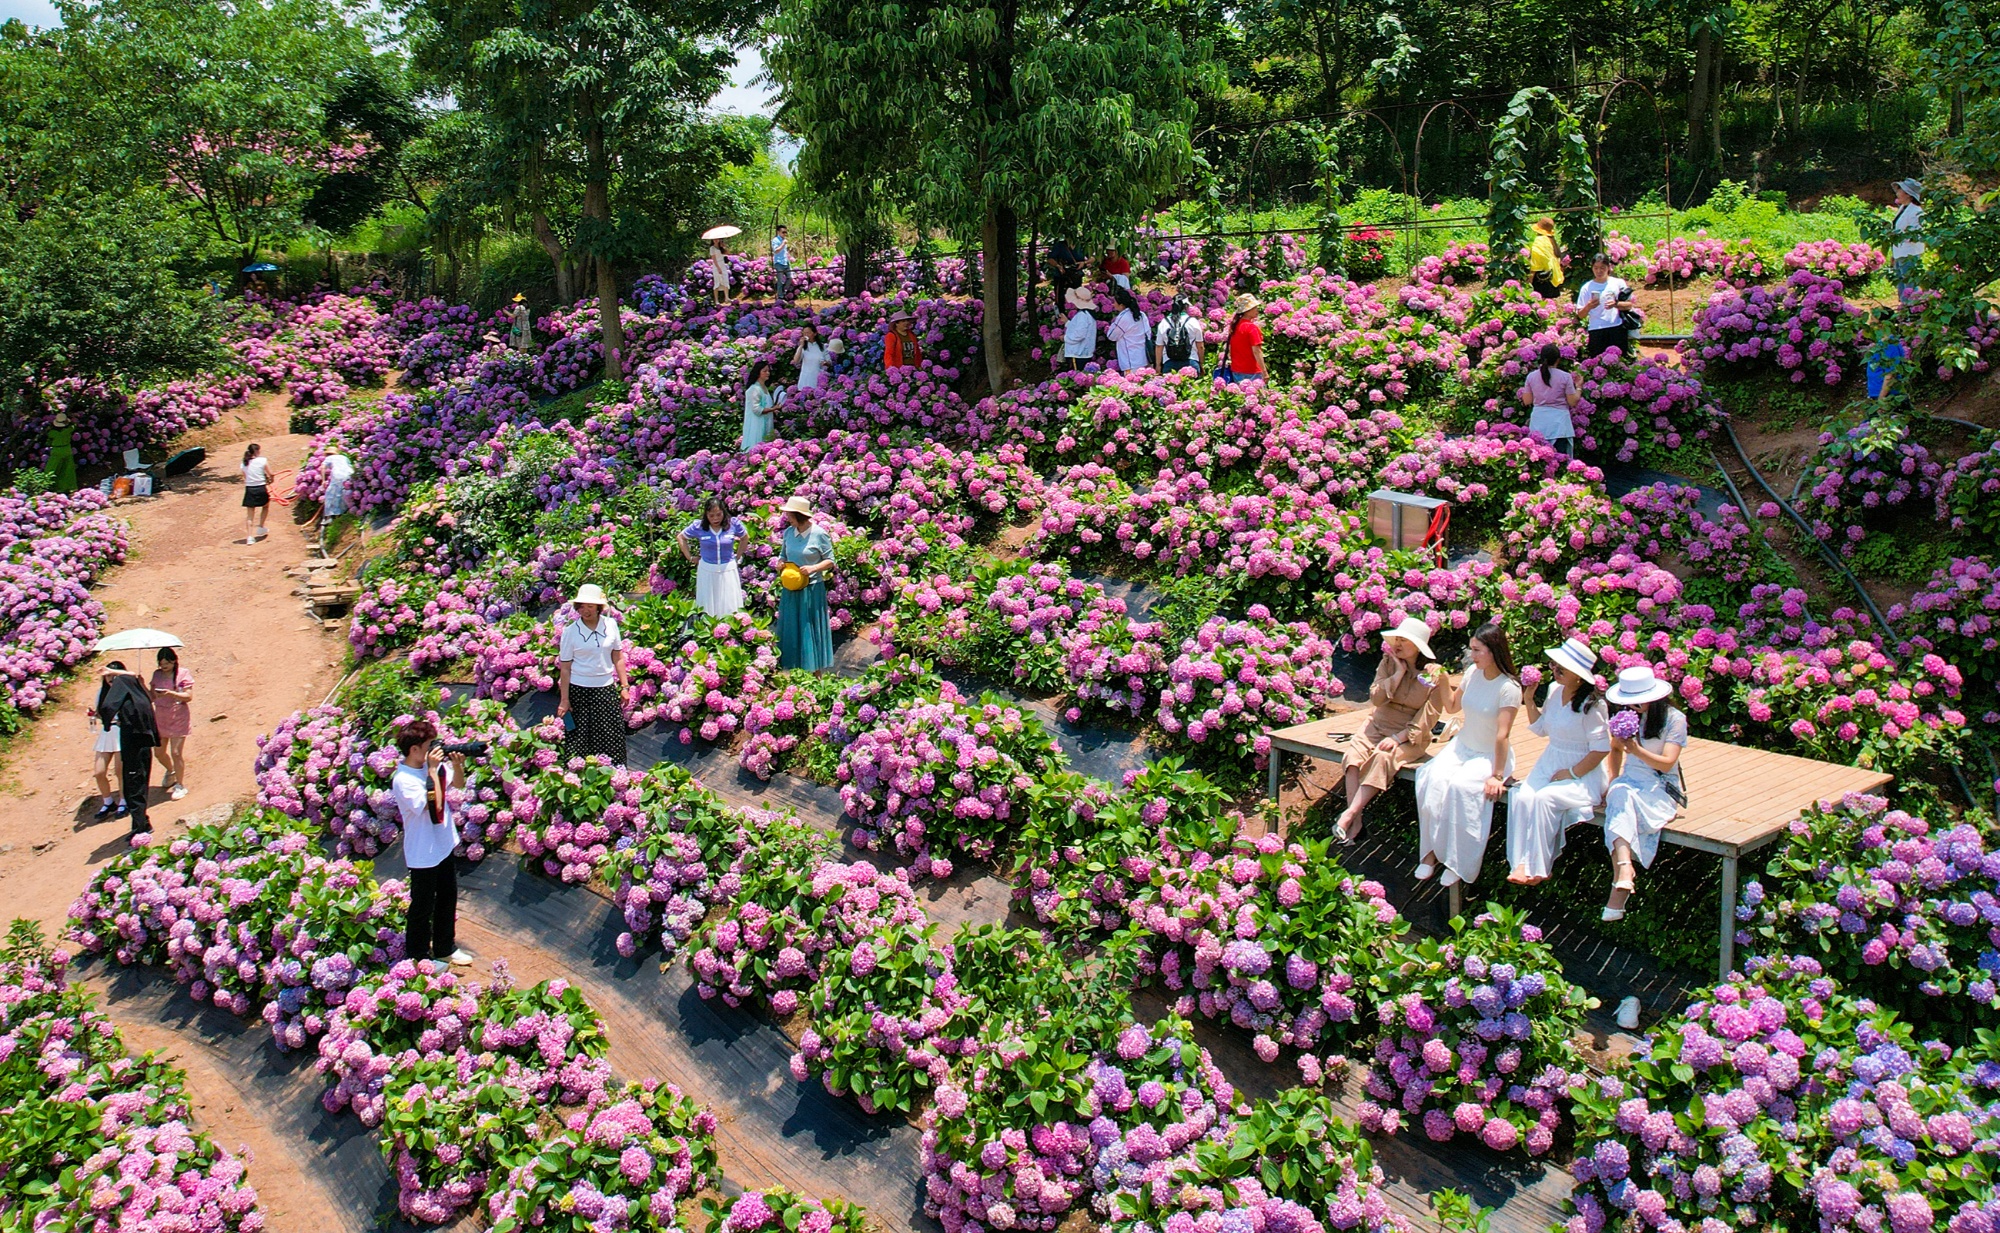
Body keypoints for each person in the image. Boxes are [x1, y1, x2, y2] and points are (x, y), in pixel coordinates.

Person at [1413, 623, 1522, 888]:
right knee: (1432, 779)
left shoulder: (1510, 688)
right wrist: (1442, 680)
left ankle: (1457, 862)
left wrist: (1497, 775)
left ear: (1494, 651)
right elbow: (1451, 706)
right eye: (1471, 649)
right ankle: (1429, 855)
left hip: (1489, 755)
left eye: (1477, 650)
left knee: (1462, 789)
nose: (1472, 656)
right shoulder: (1473, 673)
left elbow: (1502, 735)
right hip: (1462, 746)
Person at [1504, 638, 1609, 884]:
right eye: (1554, 665)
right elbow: (1541, 728)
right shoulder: (1554, 690)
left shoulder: (1594, 706)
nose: (1555, 669)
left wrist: (1571, 772)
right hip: (1550, 760)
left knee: (1544, 798)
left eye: (1562, 667)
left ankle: (1538, 867)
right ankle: (1521, 862)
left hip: (1583, 772)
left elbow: (1601, 749)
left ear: (1580, 676)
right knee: (1522, 796)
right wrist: (1529, 700)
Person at [1332, 616, 1443, 842]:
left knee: (1383, 757)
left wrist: (1398, 737)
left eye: (1405, 641)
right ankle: (1357, 821)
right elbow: (1376, 699)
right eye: (1397, 639)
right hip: (1378, 723)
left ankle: (1349, 814)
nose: (1398, 645)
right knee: (1353, 757)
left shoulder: (1433, 673)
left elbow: (1429, 715)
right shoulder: (1388, 661)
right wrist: (1397, 675)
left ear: (1419, 647)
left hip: (1409, 732)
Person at [1599, 664, 1687, 921]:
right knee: (1619, 794)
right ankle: (1625, 872)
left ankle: (1622, 880)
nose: (1634, 707)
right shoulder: (1626, 716)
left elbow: (1668, 762)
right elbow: (1615, 750)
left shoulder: (1674, 719)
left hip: (1658, 786)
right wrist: (1613, 780)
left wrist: (1636, 750)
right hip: (1629, 781)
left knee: (1621, 798)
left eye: (1638, 702)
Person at [391, 719, 473, 966]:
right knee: (422, 906)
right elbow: (428, 804)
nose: (434, 750)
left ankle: (444, 947)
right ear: (414, 749)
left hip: (443, 844)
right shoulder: (403, 779)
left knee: (448, 897)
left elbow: (457, 785)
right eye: (429, 745)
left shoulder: (433, 768)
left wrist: (457, 766)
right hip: (423, 852)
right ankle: (418, 956)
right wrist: (431, 771)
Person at [557, 583, 629, 765]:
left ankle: (614, 776)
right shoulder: (570, 632)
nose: (585, 610)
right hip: (580, 692)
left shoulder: (611, 625)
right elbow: (565, 669)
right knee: (580, 738)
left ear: (598, 607)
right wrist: (564, 700)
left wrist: (624, 686)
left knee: (611, 736)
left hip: (605, 690)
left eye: (590, 606)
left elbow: (617, 657)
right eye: (581, 606)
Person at [96, 661, 158, 836]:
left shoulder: (131, 705)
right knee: (136, 788)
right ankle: (141, 824)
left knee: (135, 789)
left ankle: (140, 829)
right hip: (140, 747)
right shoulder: (137, 697)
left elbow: (107, 709)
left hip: (133, 748)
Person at [776, 495, 836, 672]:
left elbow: (830, 560)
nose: (787, 518)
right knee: (792, 627)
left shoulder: (819, 534)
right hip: (790, 589)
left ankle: (815, 673)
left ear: (798, 515)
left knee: (809, 628)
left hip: (811, 590)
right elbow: (783, 556)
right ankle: (793, 672)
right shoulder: (788, 533)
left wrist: (813, 568)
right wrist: (779, 564)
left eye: (789, 515)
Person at [680, 497, 746, 618]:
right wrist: (689, 557)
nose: (715, 518)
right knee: (708, 604)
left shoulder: (733, 524)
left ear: (723, 512)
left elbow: (745, 537)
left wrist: (738, 556)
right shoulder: (698, 526)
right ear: (706, 515)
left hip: (728, 569)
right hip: (707, 570)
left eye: (718, 514)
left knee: (729, 602)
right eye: (711, 515)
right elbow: (681, 537)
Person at [1518, 343, 1582, 456]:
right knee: (1560, 461)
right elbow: (1573, 401)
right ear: (1558, 360)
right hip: (1560, 425)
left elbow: (1527, 401)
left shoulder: (1531, 377)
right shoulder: (1565, 376)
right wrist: (1579, 387)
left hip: (1539, 423)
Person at [148, 648, 194, 802]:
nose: (164, 667)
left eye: (167, 663)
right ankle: (170, 771)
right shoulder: (157, 675)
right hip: (160, 716)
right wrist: (142, 686)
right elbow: (151, 696)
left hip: (178, 716)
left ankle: (180, 785)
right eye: (161, 664)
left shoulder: (183, 674)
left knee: (176, 752)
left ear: (174, 661)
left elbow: (188, 696)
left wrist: (170, 693)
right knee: (159, 752)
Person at [1575, 255, 1632, 358]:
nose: (1599, 271)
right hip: (1596, 329)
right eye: (1596, 268)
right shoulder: (1587, 288)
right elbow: (1580, 315)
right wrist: (1588, 306)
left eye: (1602, 268)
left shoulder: (1618, 283)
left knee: (1620, 361)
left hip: (1616, 327)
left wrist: (1616, 304)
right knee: (1598, 361)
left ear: (1608, 267)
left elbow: (1629, 305)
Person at [85, 684, 124, 821]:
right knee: (99, 772)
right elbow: (102, 713)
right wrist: (96, 714)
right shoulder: (102, 692)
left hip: (121, 731)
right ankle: (108, 801)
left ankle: (124, 801)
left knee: (120, 771)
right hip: (107, 732)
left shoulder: (124, 690)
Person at [1890, 178, 1924, 301]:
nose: (1897, 193)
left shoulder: (1916, 211)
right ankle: (1904, 313)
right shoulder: (1903, 209)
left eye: (1900, 191)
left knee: (1910, 287)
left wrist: (1899, 237)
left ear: (1908, 195)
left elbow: (1917, 234)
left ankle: (1913, 313)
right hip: (1900, 253)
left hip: (1910, 253)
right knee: (1901, 286)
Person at [1105, 286, 1151, 373]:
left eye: (1115, 302)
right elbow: (1148, 333)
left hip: (1130, 361)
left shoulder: (1123, 317)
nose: (1113, 304)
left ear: (1121, 305)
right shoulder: (1141, 314)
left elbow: (1111, 336)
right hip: (1143, 358)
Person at [1221, 294, 1266, 384]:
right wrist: (1264, 372)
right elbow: (1257, 351)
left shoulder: (1235, 326)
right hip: (1252, 371)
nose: (1257, 310)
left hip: (1236, 370)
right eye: (1254, 307)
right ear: (1247, 310)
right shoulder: (1251, 328)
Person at [1155, 295, 1205, 373]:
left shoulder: (1164, 323)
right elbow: (1200, 346)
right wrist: (1201, 364)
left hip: (1169, 363)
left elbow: (1159, 346)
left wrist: (1158, 365)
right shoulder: (1193, 322)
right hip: (1191, 362)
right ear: (1185, 306)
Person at [741, 360, 779, 452]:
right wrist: (773, 409)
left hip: (767, 421)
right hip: (757, 424)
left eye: (768, 371)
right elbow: (757, 409)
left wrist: (773, 409)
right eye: (764, 371)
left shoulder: (764, 387)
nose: (768, 373)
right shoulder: (754, 389)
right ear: (758, 373)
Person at [1061, 287, 1100, 372]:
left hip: (1078, 353)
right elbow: (1080, 328)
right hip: (1083, 353)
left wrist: (1065, 338)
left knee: (1076, 377)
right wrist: (1067, 322)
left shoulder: (1082, 315)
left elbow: (1079, 335)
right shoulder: (1088, 314)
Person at [240, 443, 271, 543]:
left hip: (250, 489)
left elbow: (246, 477)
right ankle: (261, 526)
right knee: (265, 506)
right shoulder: (262, 460)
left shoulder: (244, 463)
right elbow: (270, 473)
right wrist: (272, 478)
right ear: (257, 451)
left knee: (250, 514)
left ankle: (249, 537)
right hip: (261, 487)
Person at [1528, 218, 1565, 299]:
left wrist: (1529, 281)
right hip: (1553, 279)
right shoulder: (1552, 240)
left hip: (1542, 281)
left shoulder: (1539, 241)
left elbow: (1535, 263)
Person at [1045, 239, 1083, 317]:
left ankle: (1075, 315)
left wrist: (1084, 263)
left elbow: (1092, 258)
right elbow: (1050, 259)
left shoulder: (1080, 244)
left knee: (1077, 297)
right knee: (1060, 299)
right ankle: (1061, 316)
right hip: (1061, 276)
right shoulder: (1060, 245)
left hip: (1075, 276)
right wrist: (1058, 266)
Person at [45, 409, 77, 494]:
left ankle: (48, 486)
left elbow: (47, 438)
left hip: (56, 450)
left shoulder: (52, 433)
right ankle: (67, 487)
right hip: (67, 449)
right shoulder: (69, 430)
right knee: (67, 469)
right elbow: (73, 425)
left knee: (52, 468)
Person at [793, 323, 830, 393]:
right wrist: (801, 346)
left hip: (818, 379)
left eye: (808, 333)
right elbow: (796, 360)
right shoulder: (803, 347)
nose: (806, 335)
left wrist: (825, 363)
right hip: (806, 379)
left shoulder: (822, 346)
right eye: (804, 333)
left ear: (815, 333)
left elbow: (829, 361)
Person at [772, 225, 793, 301]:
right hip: (779, 262)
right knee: (780, 280)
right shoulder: (775, 240)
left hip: (785, 261)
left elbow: (784, 252)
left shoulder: (784, 240)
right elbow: (776, 250)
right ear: (778, 232)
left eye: (786, 232)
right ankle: (780, 296)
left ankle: (782, 291)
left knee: (790, 277)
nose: (785, 234)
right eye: (783, 232)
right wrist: (783, 244)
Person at [709, 238, 733, 304]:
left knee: (725, 280)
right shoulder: (712, 248)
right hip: (717, 265)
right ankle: (716, 300)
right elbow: (714, 259)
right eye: (714, 239)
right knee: (717, 281)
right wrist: (718, 268)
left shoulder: (721, 247)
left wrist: (724, 246)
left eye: (717, 239)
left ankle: (727, 298)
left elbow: (728, 253)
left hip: (723, 265)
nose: (716, 240)